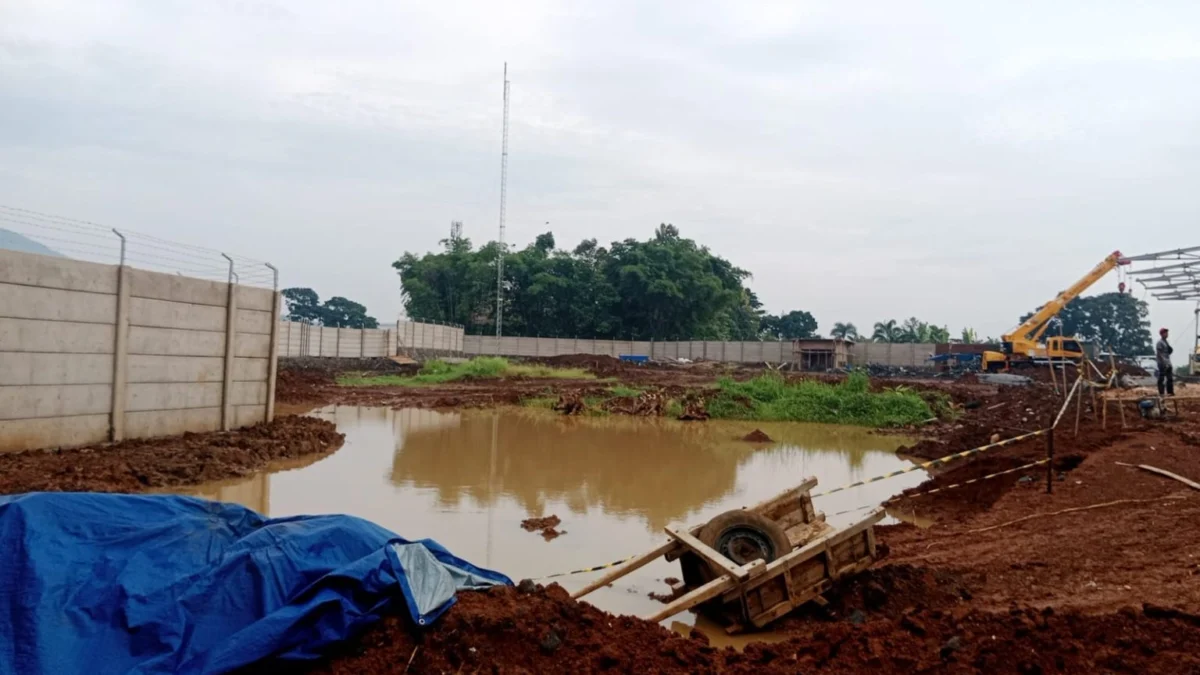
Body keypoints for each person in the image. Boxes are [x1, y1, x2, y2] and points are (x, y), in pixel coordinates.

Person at [1156, 327, 1174, 396]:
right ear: (1162, 334)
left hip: (1168, 361)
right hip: (1162, 363)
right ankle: (1161, 393)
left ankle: (1170, 392)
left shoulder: (1166, 342)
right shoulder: (1159, 342)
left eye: (1167, 333)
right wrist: (1164, 362)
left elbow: (1169, 351)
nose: (1167, 334)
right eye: (1165, 333)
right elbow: (1159, 353)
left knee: (1169, 378)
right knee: (1161, 377)